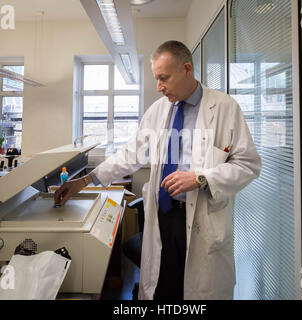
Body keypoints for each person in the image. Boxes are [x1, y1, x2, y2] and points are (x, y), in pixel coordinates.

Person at [54, 40, 261, 300]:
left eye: (164, 78)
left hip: (201, 219)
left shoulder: (225, 108)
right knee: (163, 289)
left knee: (196, 294)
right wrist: (83, 181)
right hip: (162, 216)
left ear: (187, 69)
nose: (159, 87)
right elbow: (130, 155)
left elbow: (248, 164)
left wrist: (201, 178)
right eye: (156, 78)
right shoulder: (158, 111)